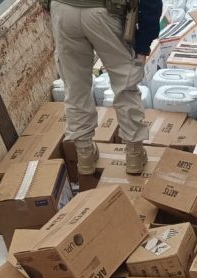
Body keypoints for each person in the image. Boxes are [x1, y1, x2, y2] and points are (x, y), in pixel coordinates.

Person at [49, 0, 161, 175]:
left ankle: (85, 155)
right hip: (105, 12)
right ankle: (134, 155)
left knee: (75, 87)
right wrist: (143, 45)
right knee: (125, 85)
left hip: (63, 9)